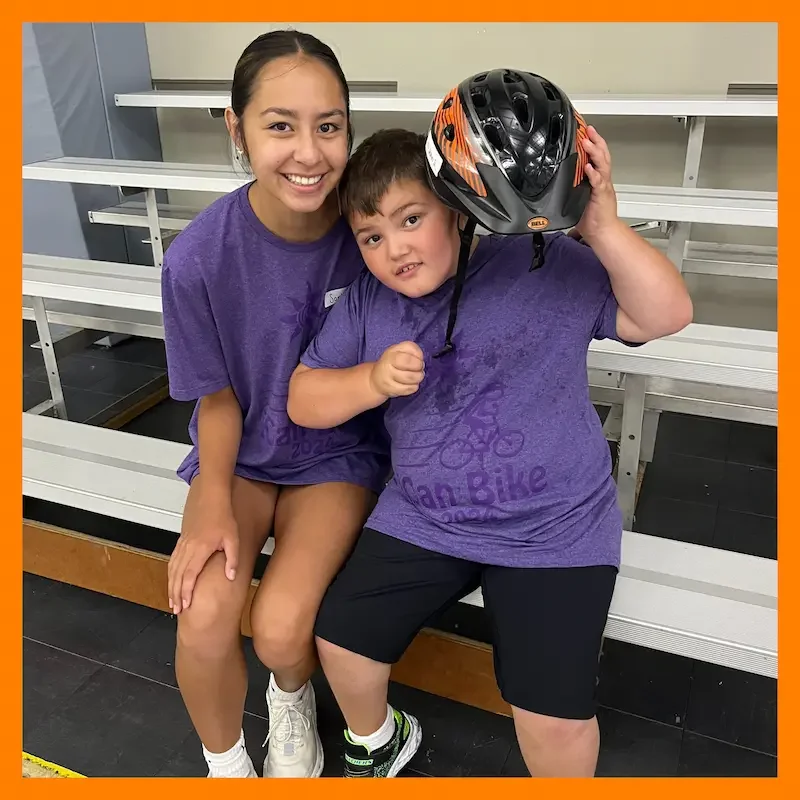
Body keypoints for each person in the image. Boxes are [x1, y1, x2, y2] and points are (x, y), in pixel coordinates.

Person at [287, 69, 693, 778]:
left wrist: (601, 225)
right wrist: (370, 380)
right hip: (424, 516)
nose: (395, 250)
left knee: (553, 721)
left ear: (457, 207)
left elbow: (666, 315)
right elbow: (302, 398)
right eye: (372, 236)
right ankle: (381, 741)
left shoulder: (545, 263)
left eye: (411, 220)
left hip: (553, 527)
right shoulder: (364, 306)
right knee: (341, 642)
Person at [160, 29, 390, 779]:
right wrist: (216, 496)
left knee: (283, 631)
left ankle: (290, 701)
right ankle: (226, 763)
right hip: (241, 450)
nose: (309, 152)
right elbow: (217, 400)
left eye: (328, 126)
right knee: (202, 616)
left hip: (335, 455)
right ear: (237, 128)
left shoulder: (372, 234)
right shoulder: (197, 257)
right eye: (280, 125)